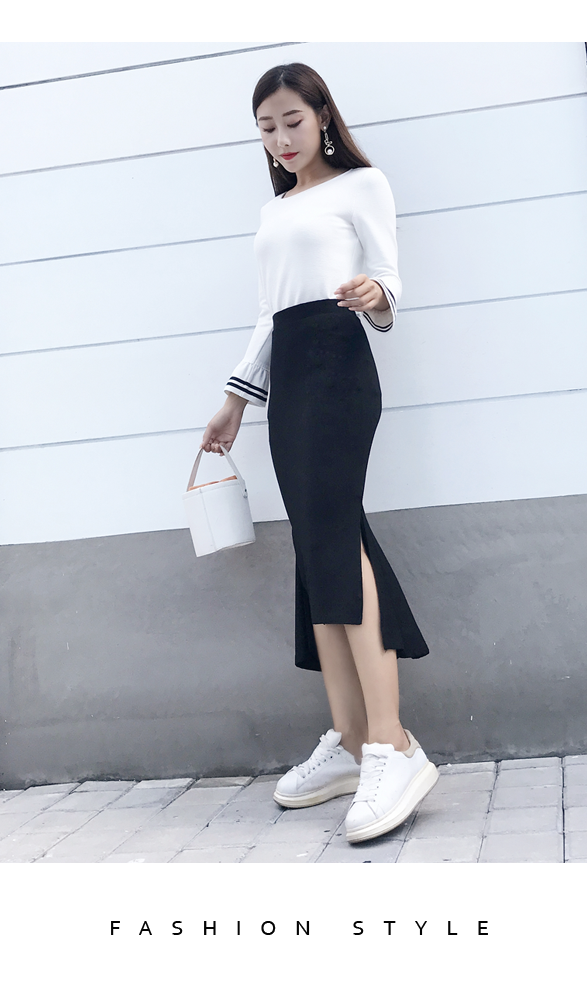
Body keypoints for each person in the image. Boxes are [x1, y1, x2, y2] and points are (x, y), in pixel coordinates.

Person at [201, 63, 438, 844]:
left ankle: (392, 744)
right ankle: (349, 738)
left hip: (339, 364)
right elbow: (268, 315)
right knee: (318, 544)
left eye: (292, 121)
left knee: (334, 538)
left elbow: (390, 282)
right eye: (267, 127)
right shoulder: (276, 209)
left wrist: (375, 296)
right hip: (291, 378)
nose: (281, 138)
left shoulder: (362, 185)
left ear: (323, 116)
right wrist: (236, 400)